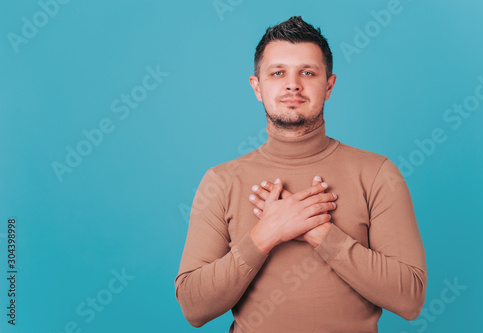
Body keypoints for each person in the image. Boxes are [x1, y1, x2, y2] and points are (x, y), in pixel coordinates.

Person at [175, 16, 426, 332]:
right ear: (257, 86)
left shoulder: (377, 173)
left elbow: (411, 300)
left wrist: (320, 233)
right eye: (277, 73)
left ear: (329, 86)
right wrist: (267, 232)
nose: (292, 84)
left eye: (307, 73)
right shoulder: (221, 181)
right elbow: (194, 308)